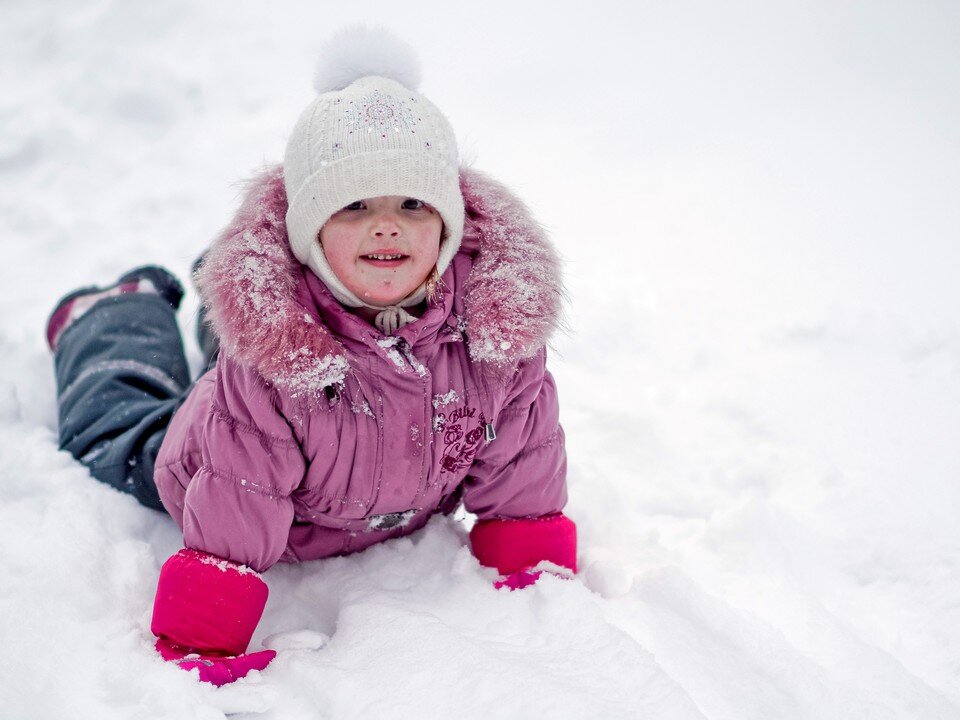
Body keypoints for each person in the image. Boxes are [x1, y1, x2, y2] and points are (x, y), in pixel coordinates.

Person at [46, 27, 576, 686]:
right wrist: (205, 640)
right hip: (218, 460)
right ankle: (113, 316)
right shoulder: (275, 359)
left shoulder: (493, 332)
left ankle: (216, 293)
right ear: (309, 236)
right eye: (355, 206)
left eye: (413, 204)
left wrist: (531, 570)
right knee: (118, 431)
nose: (387, 224)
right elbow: (240, 491)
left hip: (358, 471)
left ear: (449, 224)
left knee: (249, 352)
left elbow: (523, 456)